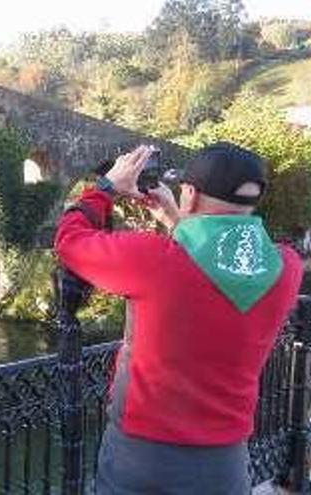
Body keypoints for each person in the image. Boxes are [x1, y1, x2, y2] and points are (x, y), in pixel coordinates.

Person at [54, 142, 304, 494]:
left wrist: (105, 188)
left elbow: (70, 239)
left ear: (189, 192)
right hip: (226, 463)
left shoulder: (154, 261)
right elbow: (214, 268)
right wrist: (177, 220)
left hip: (141, 456)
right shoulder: (286, 268)